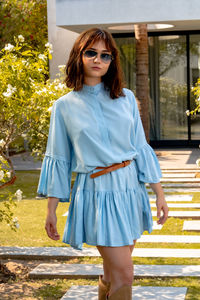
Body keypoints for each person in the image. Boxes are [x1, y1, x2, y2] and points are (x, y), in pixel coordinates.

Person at [37, 28, 168, 300]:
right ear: (79, 56)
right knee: (125, 273)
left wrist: (159, 193)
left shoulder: (126, 98)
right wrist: (51, 210)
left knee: (112, 273)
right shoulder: (64, 106)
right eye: (91, 52)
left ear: (112, 61)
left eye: (105, 55)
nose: (98, 60)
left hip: (130, 188)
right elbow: (58, 156)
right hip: (97, 192)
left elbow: (140, 146)